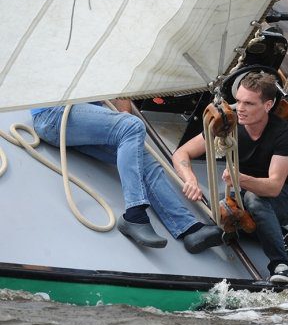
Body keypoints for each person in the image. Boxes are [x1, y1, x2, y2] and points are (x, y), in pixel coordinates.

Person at [30, 101, 223, 252]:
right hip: (54, 116)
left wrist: (123, 121)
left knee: (142, 155)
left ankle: (188, 229)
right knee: (132, 126)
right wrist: (127, 125)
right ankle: (134, 214)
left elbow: (121, 92)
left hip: (79, 125)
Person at [172, 72, 288, 285]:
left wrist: (240, 179)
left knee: (253, 199)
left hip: (286, 198)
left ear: (268, 105)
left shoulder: (283, 133)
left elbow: (274, 187)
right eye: (238, 101)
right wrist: (190, 179)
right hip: (245, 190)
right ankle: (276, 234)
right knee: (228, 208)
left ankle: (281, 265)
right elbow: (181, 154)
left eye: (249, 103)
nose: (240, 108)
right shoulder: (228, 124)